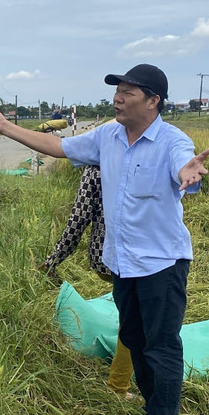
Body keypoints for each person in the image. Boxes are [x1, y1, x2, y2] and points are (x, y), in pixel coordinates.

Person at [0, 64, 209, 415]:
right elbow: (58, 147)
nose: (118, 98)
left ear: (153, 101)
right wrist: (6, 128)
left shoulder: (172, 141)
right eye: (118, 91)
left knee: (161, 344)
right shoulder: (107, 137)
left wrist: (188, 171)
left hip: (162, 264)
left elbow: (183, 162)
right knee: (134, 337)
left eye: (129, 92)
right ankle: (154, 413)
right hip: (123, 263)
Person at [41, 165, 134, 399]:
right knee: (136, 320)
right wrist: (55, 258)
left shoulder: (97, 165)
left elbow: (79, 218)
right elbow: (80, 218)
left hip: (109, 257)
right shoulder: (104, 166)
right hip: (129, 258)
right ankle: (118, 386)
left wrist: (55, 258)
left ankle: (121, 382)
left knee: (133, 313)